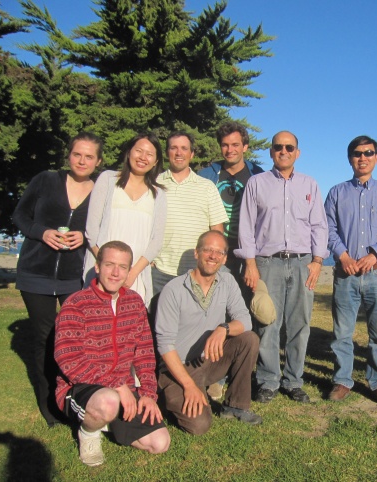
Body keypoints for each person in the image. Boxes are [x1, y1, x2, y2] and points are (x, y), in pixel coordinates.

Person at [12, 132, 103, 427]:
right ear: (69, 156)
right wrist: (42, 232)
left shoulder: (101, 190)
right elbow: (20, 216)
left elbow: (102, 227)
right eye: (78, 154)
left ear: (98, 161)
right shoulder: (46, 179)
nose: (82, 160)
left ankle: (77, 395)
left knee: (78, 338)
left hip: (74, 277)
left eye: (89, 156)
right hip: (35, 272)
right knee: (45, 338)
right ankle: (49, 402)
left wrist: (86, 238)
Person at [54, 241, 170, 467]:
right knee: (108, 400)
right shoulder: (76, 304)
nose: (116, 273)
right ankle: (89, 432)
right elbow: (68, 359)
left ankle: (105, 422)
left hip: (123, 389)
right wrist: (117, 386)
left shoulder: (135, 302)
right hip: (80, 386)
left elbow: (145, 353)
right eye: (109, 265)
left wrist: (147, 394)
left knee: (159, 443)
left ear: (129, 271)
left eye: (123, 267)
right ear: (97, 267)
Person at [236, 131, 329, 404]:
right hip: (268, 263)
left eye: (289, 147)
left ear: (297, 152)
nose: (284, 151)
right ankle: (268, 381)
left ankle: (294, 380)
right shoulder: (256, 184)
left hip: (302, 263)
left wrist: (317, 261)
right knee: (268, 322)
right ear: (271, 152)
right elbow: (246, 226)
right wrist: (250, 264)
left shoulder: (310, 184)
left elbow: (319, 226)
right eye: (278, 147)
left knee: (300, 324)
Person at [155, 230, 262, 434]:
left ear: (224, 258)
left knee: (248, 339)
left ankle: (235, 406)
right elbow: (165, 344)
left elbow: (245, 320)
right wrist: (188, 385)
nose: (213, 256)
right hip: (179, 369)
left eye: (219, 252)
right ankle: (167, 396)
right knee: (199, 425)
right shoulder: (174, 290)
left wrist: (224, 328)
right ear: (197, 253)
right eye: (208, 250)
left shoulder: (227, 282)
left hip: (210, 360)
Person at [324, 135, 377, 404]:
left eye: (369, 153)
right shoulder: (336, 192)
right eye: (357, 153)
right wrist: (342, 255)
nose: (363, 157)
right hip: (346, 274)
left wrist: (374, 254)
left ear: (376, 158)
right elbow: (328, 229)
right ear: (350, 158)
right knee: (342, 333)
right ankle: (343, 380)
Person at [84, 132, 167, 307]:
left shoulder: (158, 193)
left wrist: (131, 273)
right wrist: (109, 269)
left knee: (129, 326)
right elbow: (91, 231)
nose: (143, 157)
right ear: (129, 152)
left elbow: (156, 241)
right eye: (139, 151)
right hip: (102, 273)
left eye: (149, 154)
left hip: (135, 277)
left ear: (156, 161)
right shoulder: (107, 179)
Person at [152, 131, 228, 296]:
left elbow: (217, 229)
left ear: (191, 154)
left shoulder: (207, 187)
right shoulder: (154, 184)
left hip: (197, 272)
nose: (179, 153)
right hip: (160, 271)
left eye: (184, 148)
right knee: (159, 320)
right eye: (174, 148)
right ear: (167, 153)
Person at [198, 121, 264, 280]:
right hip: (216, 254)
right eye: (225, 145)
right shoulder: (206, 176)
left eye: (235, 144)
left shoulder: (258, 176)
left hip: (249, 255)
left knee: (247, 302)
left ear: (245, 146)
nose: (230, 150)